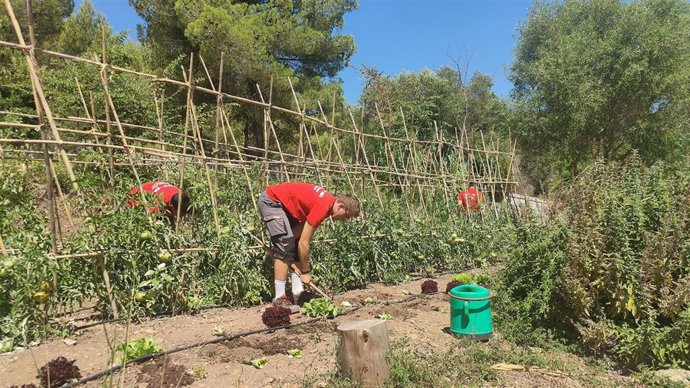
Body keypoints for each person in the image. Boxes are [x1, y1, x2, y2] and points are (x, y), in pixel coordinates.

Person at [258, 182, 360, 312]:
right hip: (272, 202)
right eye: (346, 216)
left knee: (290, 244)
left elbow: (300, 235)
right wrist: (305, 272)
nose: (344, 220)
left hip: (285, 207)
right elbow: (304, 243)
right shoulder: (323, 205)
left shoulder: (326, 204)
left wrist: (284, 242)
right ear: (341, 206)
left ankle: (297, 293)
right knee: (285, 247)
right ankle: (279, 299)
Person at [126, 181, 191, 224]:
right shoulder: (157, 203)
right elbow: (151, 220)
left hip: (156, 194)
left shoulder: (180, 195)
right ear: (172, 207)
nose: (182, 216)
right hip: (134, 200)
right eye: (181, 213)